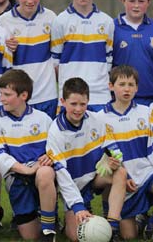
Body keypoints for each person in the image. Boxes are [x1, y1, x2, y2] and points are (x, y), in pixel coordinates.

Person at [46, 77, 127, 241]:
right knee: (76, 237)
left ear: (88, 101)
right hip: (73, 186)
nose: (78, 109)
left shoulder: (95, 120)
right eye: (73, 104)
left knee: (121, 173)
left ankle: (113, 227)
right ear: (63, 102)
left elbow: (113, 147)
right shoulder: (55, 131)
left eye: (82, 104)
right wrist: (77, 207)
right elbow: (62, 175)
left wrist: (112, 160)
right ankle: (72, 216)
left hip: (95, 178)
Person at [0, 69, 57, 241]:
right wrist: (26, 170)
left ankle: (49, 229)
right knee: (30, 236)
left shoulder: (43, 119)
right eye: (1, 93)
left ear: (24, 95)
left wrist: (49, 157)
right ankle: (39, 215)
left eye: (7, 94)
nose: (1, 98)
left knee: (45, 172)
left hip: (41, 175)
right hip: (18, 177)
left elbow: (54, 150)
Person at [96, 65, 153, 240]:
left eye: (131, 84)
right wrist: (125, 176)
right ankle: (140, 218)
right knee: (129, 236)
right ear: (111, 86)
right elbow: (107, 156)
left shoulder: (147, 113)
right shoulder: (100, 118)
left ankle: (152, 225)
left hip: (147, 173)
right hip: (123, 179)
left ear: (137, 88)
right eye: (122, 84)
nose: (127, 89)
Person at [51, 0, 114, 111]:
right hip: (70, 98)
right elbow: (55, 63)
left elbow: (109, 61)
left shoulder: (107, 21)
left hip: (100, 97)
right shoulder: (60, 21)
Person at [0, 0, 58, 119]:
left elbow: (57, 57)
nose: (30, 1)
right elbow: (0, 61)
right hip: (19, 98)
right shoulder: (3, 22)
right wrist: (9, 50)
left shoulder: (51, 18)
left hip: (47, 96)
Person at [113, 0, 153, 106]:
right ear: (123, 1)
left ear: (149, 2)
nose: (136, 6)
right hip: (121, 100)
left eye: (141, 1)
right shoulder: (111, 27)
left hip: (152, 99)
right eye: (132, 1)